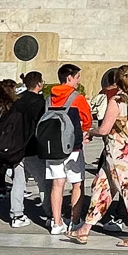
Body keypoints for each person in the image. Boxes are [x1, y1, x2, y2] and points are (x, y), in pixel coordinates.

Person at [66, 66, 128, 247]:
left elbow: (105, 129)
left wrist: (90, 132)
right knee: (101, 188)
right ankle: (85, 229)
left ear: (113, 81)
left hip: (116, 153)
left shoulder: (116, 101)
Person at [44, 65, 93, 234]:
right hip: (73, 146)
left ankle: (56, 223)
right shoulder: (76, 98)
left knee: (57, 185)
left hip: (52, 146)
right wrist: (86, 131)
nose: (78, 80)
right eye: (77, 77)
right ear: (69, 78)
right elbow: (87, 119)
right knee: (77, 184)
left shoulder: (49, 97)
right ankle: (75, 220)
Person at [4, 71, 49, 227]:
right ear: (39, 84)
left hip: (17, 148)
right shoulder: (40, 103)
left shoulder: (17, 102)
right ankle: (50, 214)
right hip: (32, 148)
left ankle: (16, 215)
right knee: (43, 182)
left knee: (18, 182)